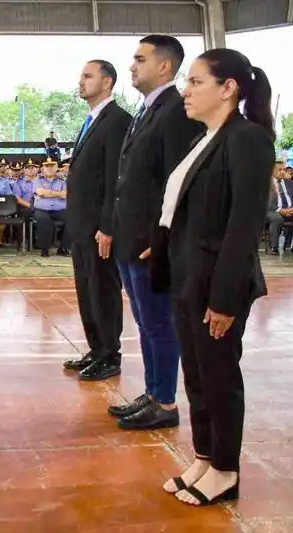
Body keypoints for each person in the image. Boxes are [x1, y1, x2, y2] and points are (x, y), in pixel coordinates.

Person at [154, 49, 275, 507]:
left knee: (220, 377)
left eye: (197, 82)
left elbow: (243, 226)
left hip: (217, 284)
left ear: (228, 89)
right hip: (188, 278)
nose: (187, 91)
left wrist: (224, 299)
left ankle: (226, 468)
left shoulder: (246, 139)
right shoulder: (204, 139)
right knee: (198, 375)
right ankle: (205, 457)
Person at [108, 35, 204, 431]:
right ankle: (152, 392)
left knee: (159, 323)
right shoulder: (147, 110)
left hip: (150, 242)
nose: (132, 66)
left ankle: (165, 400)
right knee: (146, 323)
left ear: (165, 66)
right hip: (131, 239)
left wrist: (159, 239)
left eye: (140, 59)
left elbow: (175, 183)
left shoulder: (176, 113)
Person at [63, 60, 132, 381]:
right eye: (80, 76)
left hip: (99, 227)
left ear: (107, 82)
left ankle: (110, 354)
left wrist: (108, 226)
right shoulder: (92, 120)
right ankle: (96, 348)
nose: (80, 82)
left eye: (88, 76)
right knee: (86, 288)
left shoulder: (117, 121)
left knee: (103, 288)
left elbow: (116, 180)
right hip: (81, 224)